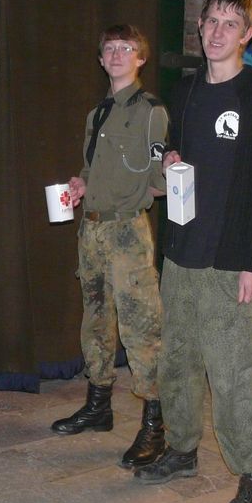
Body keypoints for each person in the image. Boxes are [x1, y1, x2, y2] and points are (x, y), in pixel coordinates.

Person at [134, 0, 252, 503]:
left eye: (231, 24)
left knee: (231, 371)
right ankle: (181, 449)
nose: (218, 32)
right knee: (176, 359)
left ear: (247, 34)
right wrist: (172, 155)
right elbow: (175, 152)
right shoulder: (188, 89)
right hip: (182, 250)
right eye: (211, 22)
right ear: (199, 27)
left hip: (228, 260)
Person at [50, 24, 170, 469]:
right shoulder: (97, 113)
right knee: (96, 319)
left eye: (127, 49)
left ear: (141, 58)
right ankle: (99, 405)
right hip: (93, 229)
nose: (117, 55)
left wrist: (169, 175)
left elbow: (159, 180)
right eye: (110, 49)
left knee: (141, 327)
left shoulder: (151, 111)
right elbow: (91, 166)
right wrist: (81, 183)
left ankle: (156, 423)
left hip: (126, 231)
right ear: (100, 59)